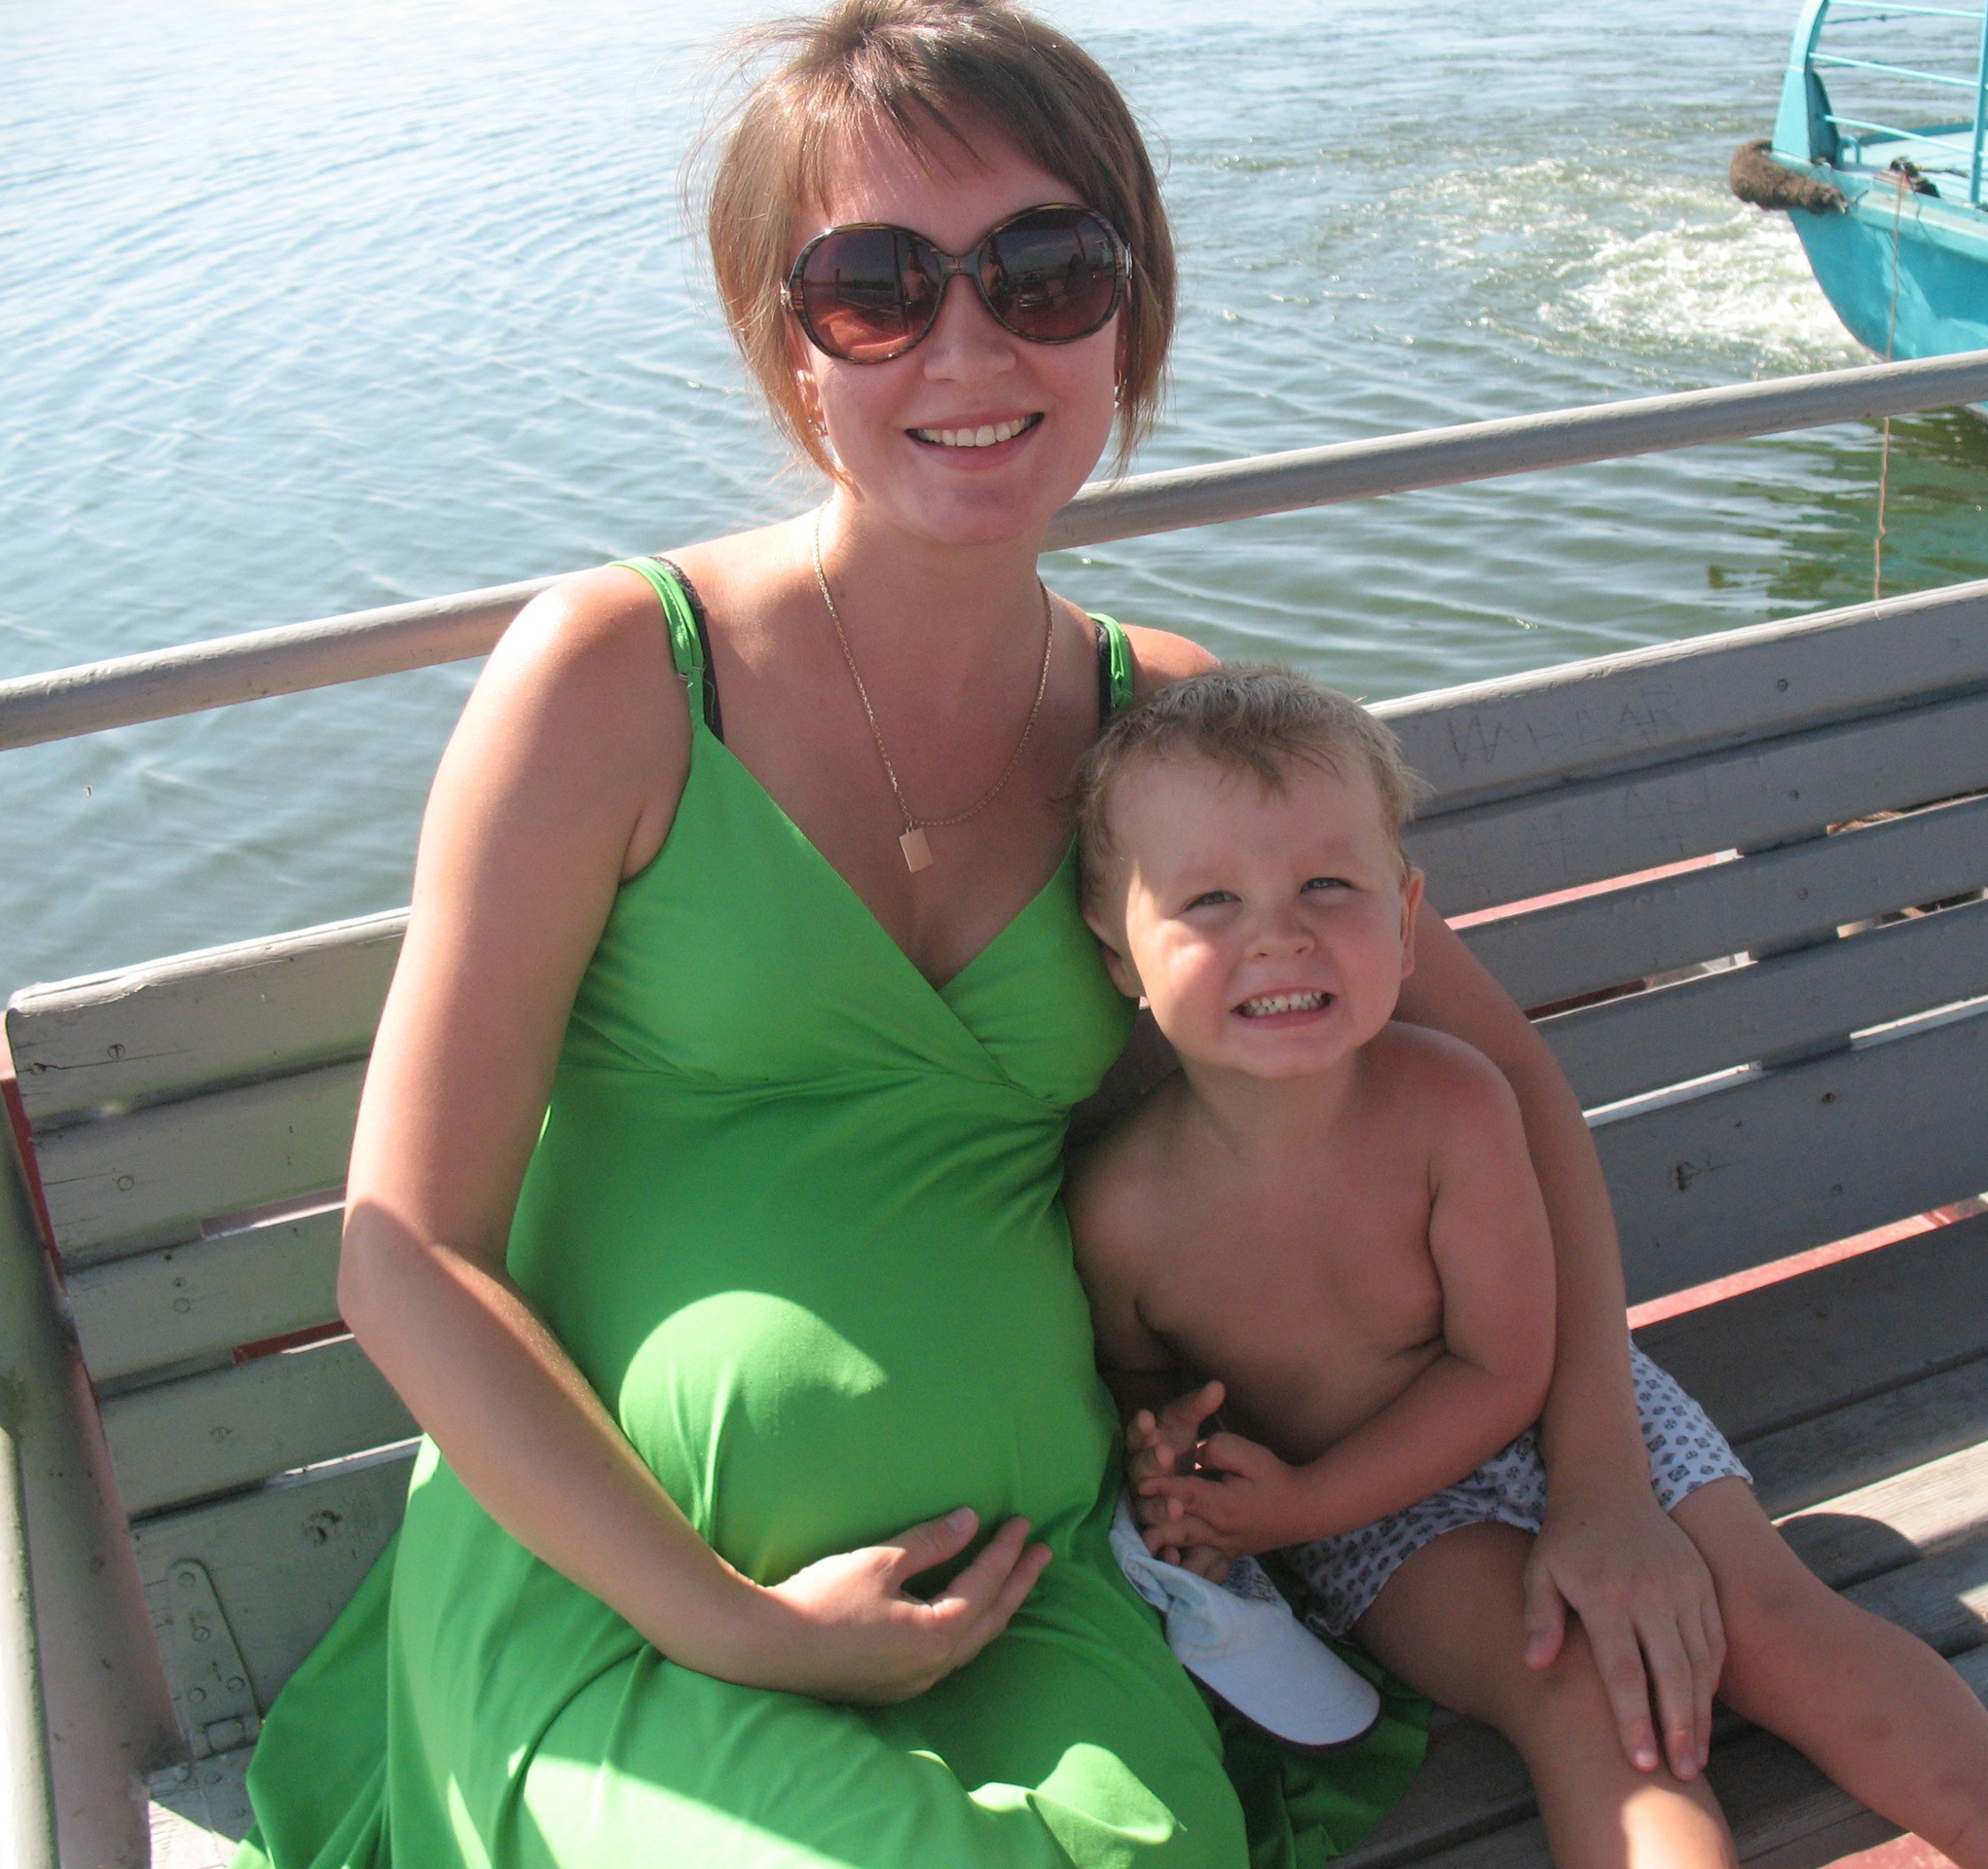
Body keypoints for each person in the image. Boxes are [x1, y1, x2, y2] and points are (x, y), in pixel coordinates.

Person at [232, 5, 1732, 1866]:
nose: (970, 345)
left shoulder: (1162, 741)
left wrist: (1605, 1488)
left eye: (1046, 272)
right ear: (785, 341)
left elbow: (1503, 1089)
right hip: (626, 1592)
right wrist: (741, 1624)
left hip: (1026, 1601)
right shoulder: (618, 680)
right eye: (874, 289)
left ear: (1130, 317)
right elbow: (402, 1254)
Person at [1065, 666, 1988, 1869]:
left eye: (1326, 886)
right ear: (1117, 954)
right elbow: (1142, 1381)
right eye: (1209, 902)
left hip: (1563, 1402)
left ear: (1405, 918)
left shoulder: (1453, 1105)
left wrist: (1298, 1507)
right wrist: (1182, 1468)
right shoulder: (1121, 1213)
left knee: (1771, 1621)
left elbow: (1505, 1366)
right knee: (1573, 1691)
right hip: (1380, 1520)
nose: (1278, 934)